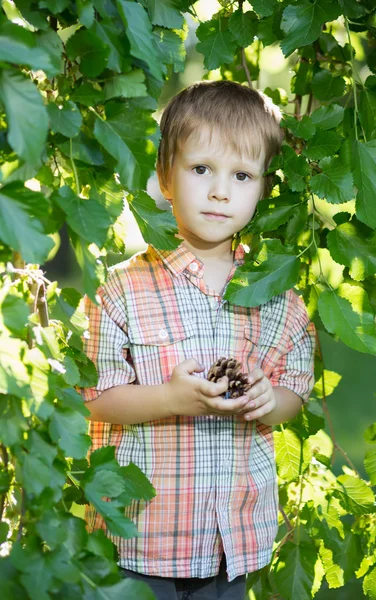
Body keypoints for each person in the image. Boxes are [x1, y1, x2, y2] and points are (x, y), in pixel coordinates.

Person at [80, 80, 315, 600]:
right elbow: (95, 399)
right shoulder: (121, 289)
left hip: (232, 543)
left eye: (242, 175)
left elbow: (295, 391)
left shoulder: (275, 294)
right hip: (140, 545)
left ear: (262, 187)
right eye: (201, 169)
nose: (220, 191)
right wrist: (170, 398)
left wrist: (267, 400)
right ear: (165, 176)